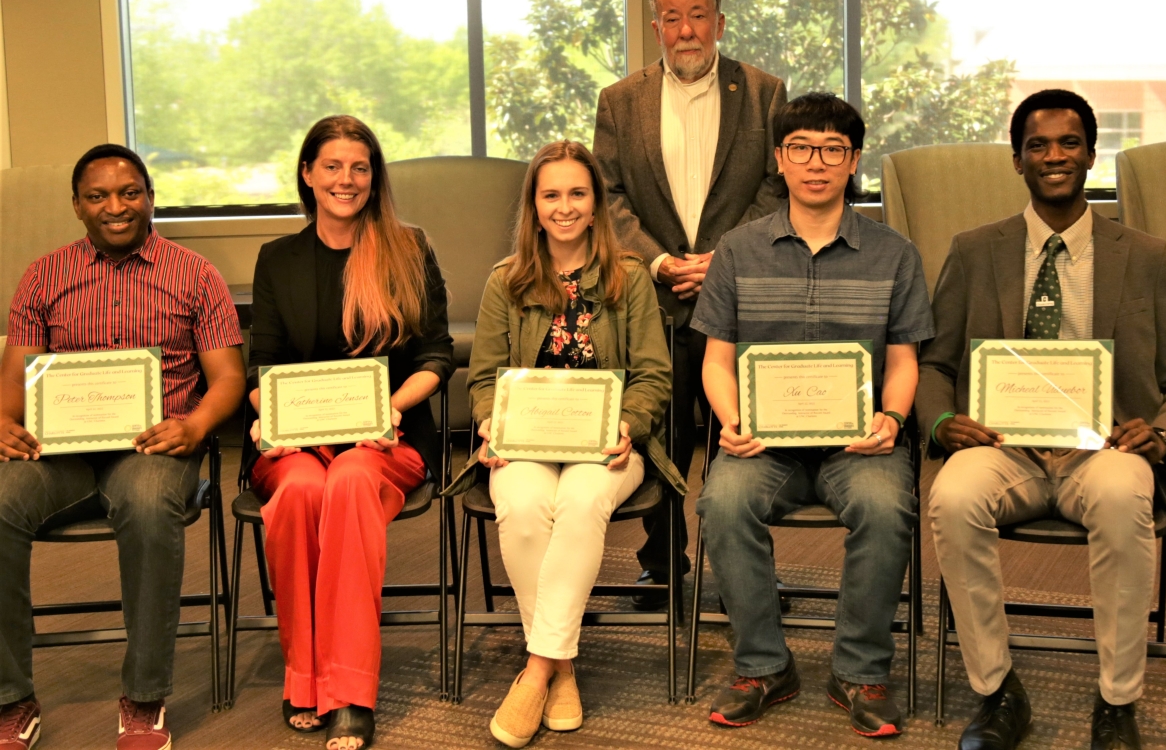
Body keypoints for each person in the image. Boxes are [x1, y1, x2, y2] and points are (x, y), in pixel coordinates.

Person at [918, 89, 1166, 750]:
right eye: (1038, 145)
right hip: (1002, 445)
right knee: (952, 495)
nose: (1054, 156)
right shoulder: (974, 248)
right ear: (1017, 160)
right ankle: (996, 691)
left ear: (1091, 154)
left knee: (1127, 492)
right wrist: (941, 422)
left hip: (1102, 449)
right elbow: (935, 364)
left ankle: (1117, 702)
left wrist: (1161, 435)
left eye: (1069, 143)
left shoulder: (1147, 255)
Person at [691, 93, 933, 736]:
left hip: (861, 445)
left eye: (833, 149)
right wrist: (731, 421)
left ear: (853, 161)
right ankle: (764, 666)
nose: (816, 163)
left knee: (885, 506)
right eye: (801, 148)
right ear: (779, 159)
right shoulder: (738, 250)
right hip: (762, 444)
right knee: (722, 501)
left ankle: (859, 672)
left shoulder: (895, 254)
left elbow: (905, 360)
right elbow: (716, 360)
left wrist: (891, 418)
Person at [0, 145, 245, 750]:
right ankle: (11, 696)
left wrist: (195, 427)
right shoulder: (43, 275)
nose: (116, 206)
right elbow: (12, 380)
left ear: (151, 197)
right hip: (60, 455)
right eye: (99, 195)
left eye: (130, 192)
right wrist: (0, 423)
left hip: (155, 447)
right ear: (78, 206)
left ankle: (143, 697)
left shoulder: (195, 274)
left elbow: (230, 379)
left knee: (145, 503)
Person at [448, 140, 683, 749]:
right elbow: (483, 376)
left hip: (608, 444)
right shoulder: (507, 281)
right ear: (533, 203)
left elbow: (655, 375)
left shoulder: (628, 278)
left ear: (596, 201)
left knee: (580, 502)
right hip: (523, 440)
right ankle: (561, 665)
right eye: (551, 194)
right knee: (524, 507)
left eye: (577, 193)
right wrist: (488, 425)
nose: (565, 207)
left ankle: (534, 670)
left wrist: (628, 423)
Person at [245, 115, 453, 750]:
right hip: (298, 444)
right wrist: (267, 416)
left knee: (354, 480)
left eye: (359, 167)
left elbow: (437, 356)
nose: (346, 179)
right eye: (332, 166)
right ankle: (304, 675)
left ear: (374, 177)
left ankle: (352, 691)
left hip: (385, 442)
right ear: (307, 175)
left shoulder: (408, 248)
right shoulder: (277, 260)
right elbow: (264, 367)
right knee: (306, 490)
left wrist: (391, 407)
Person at [592, 0, 787, 606]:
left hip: (739, 296)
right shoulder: (620, 102)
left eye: (697, 14)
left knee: (745, 438)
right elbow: (610, 195)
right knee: (662, 434)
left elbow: (775, 187)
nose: (685, 30)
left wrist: (724, 258)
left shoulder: (764, 94)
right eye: (671, 18)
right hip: (657, 297)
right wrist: (655, 261)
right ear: (655, 28)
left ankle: (745, 573)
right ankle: (662, 566)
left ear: (720, 22)